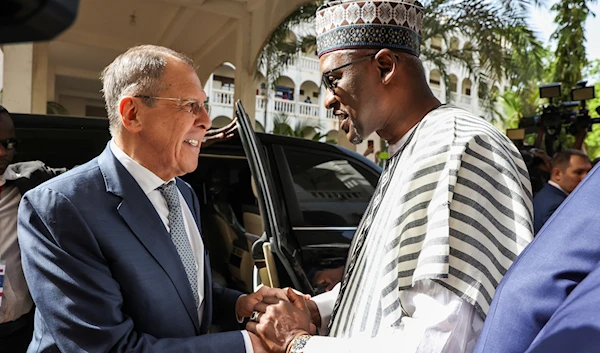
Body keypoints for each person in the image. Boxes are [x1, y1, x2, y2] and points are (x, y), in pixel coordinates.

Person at [246, 1, 533, 353]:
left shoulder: (458, 148)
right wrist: (314, 310)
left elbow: (437, 340)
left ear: (384, 66)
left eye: (333, 80)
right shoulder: (413, 147)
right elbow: (389, 294)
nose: (326, 101)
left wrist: (298, 344)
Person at [17, 45, 283, 353]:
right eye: (190, 105)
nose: (207, 121)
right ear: (132, 114)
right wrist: (250, 345)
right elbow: (108, 349)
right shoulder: (61, 207)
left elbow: (179, 290)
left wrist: (238, 304)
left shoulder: (182, 192)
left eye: (204, 105)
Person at [473, 161, 600, 353]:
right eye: (578, 171)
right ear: (557, 174)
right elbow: (531, 288)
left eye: (587, 172)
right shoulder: (554, 202)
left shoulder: (550, 199)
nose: (584, 176)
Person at [0, 105, 67, 353]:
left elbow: (86, 182)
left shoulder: (32, 181)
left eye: (9, 143)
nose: (2, 152)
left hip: (19, 332)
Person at [532, 149, 591, 235]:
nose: (586, 177)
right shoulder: (557, 205)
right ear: (557, 174)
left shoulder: (547, 195)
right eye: (579, 172)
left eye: (589, 172)